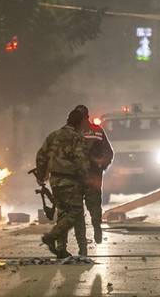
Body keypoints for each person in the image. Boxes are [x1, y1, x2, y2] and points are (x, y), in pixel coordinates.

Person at [57, 105, 114, 256]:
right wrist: (102, 165)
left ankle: (83, 245)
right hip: (91, 178)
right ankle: (93, 231)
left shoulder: (68, 132)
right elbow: (109, 153)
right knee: (93, 206)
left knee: (78, 213)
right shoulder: (97, 130)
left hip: (76, 179)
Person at [34, 109, 88, 258]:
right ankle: (51, 237)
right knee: (75, 212)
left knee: (63, 213)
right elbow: (81, 161)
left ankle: (61, 250)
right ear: (79, 122)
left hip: (55, 180)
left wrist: (41, 175)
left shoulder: (53, 135)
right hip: (71, 181)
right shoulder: (77, 138)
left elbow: (41, 156)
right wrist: (86, 178)